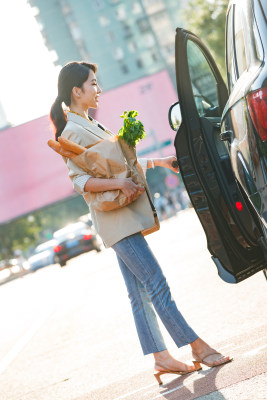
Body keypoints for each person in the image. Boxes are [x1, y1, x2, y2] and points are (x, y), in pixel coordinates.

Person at [50, 61, 232, 385]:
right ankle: (197, 347)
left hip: (124, 218)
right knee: (156, 282)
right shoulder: (70, 132)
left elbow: (118, 162)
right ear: (76, 91)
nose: (98, 89)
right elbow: (81, 181)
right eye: (93, 83)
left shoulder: (91, 124)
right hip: (116, 221)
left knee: (139, 293)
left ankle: (162, 358)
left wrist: (159, 161)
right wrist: (120, 185)